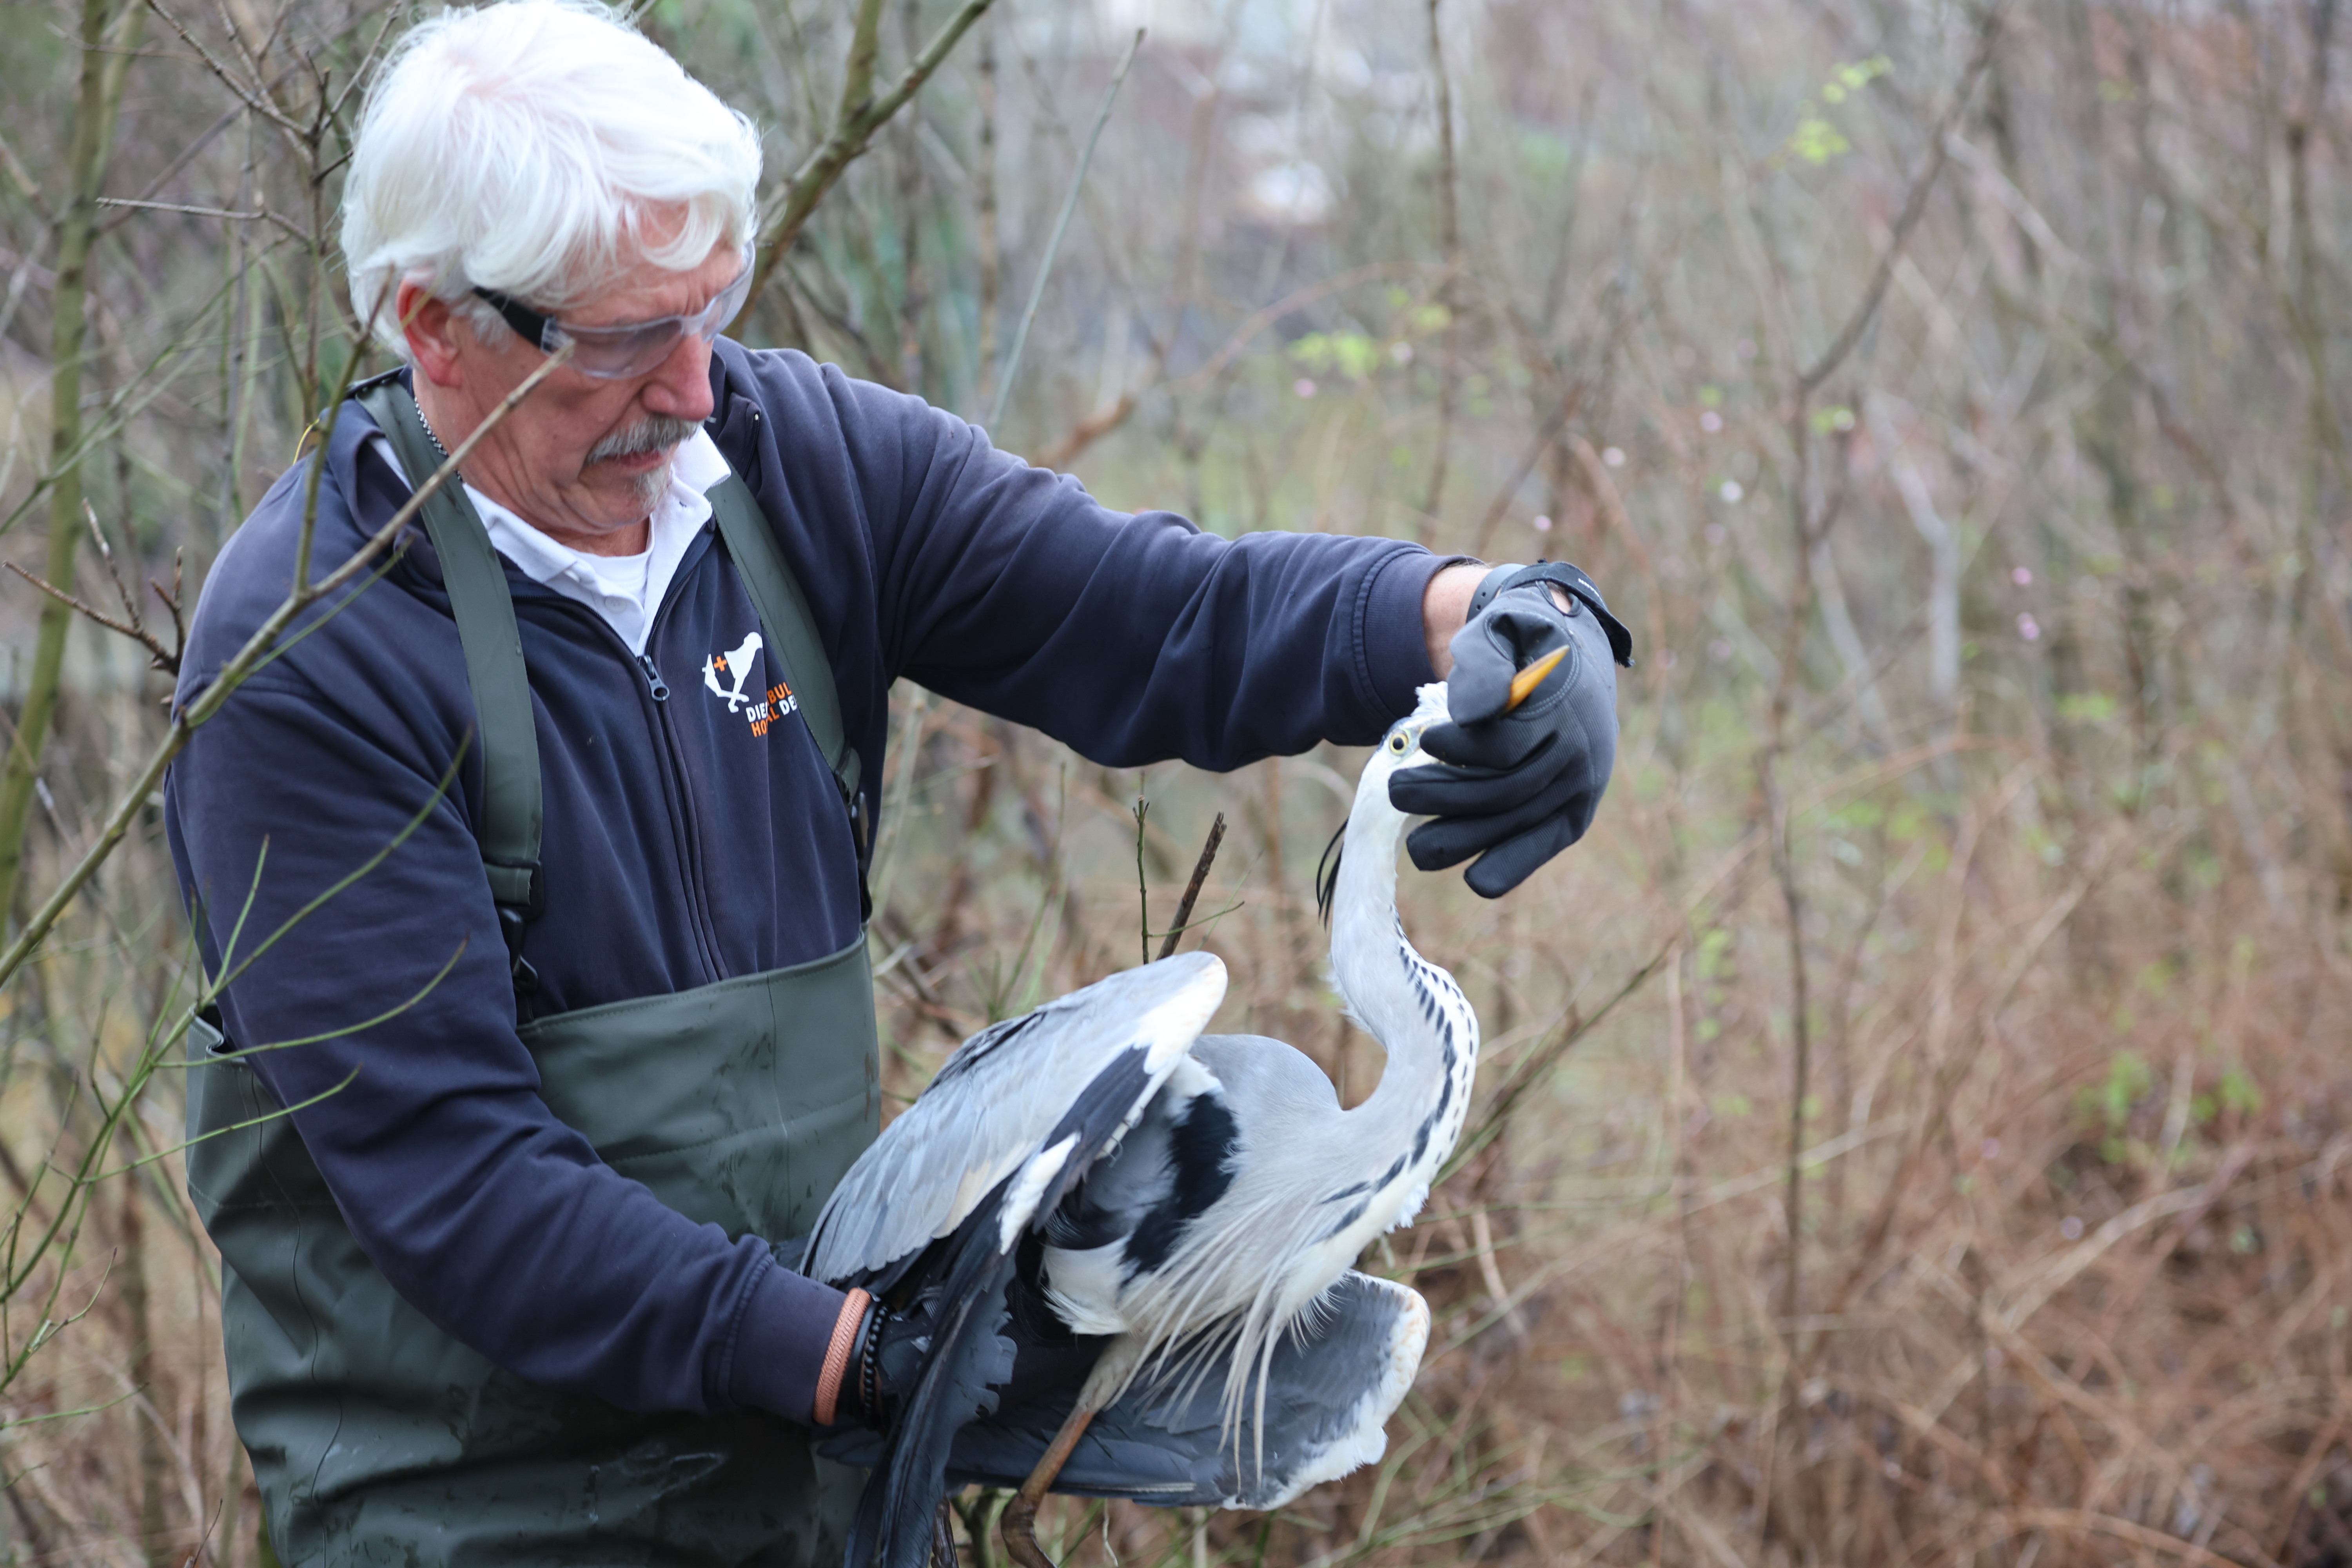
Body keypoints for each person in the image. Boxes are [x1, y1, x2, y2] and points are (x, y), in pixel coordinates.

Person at [165, 3, 1628, 1563]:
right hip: (491, 1515)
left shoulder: (797, 471)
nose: (693, 390)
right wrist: (857, 1360)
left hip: (814, 1489)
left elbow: (1156, 615)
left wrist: (1489, 617)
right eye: (621, 344)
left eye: (709, 312)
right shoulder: (311, 658)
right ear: (436, 327)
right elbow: (463, 1188)